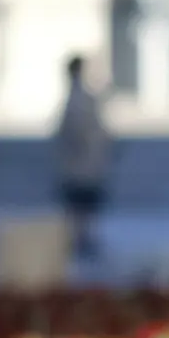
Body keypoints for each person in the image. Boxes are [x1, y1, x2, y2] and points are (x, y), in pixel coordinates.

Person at [54, 55, 110, 261]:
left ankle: (82, 239)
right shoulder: (78, 100)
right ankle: (80, 240)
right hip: (81, 165)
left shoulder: (81, 99)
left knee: (83, 205)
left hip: (83, 164)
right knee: (80, 205)